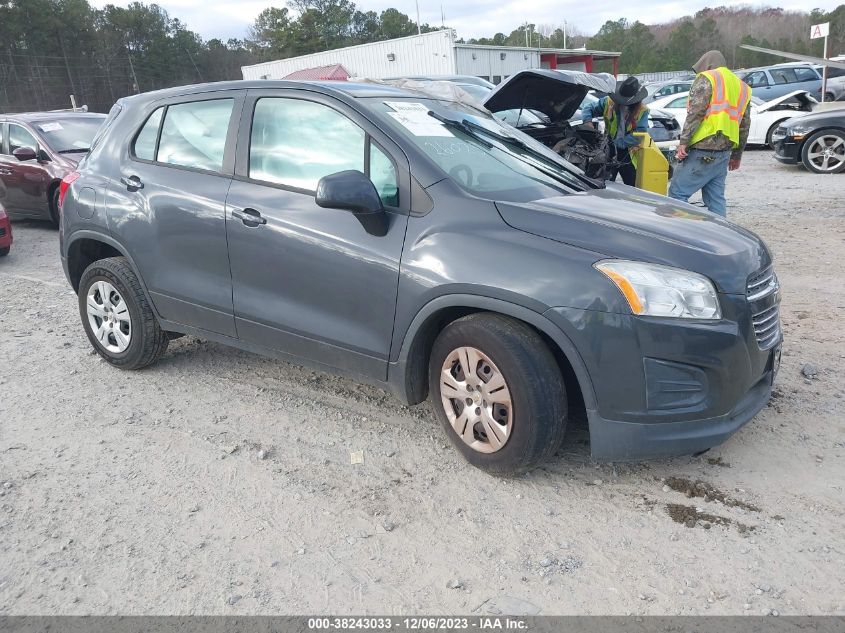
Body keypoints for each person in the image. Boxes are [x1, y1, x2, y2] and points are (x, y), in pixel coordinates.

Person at [668, 50, 751, 216]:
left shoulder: (707, 78)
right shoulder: (742, 87)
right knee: (716, 200)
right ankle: (720, 237)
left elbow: (696, 113)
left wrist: (683, 141)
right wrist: (737, 155)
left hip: (702, 149)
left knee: (677, 195)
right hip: (724, 153)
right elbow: (744, 125)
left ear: (707, 65)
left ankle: (679, 236)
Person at [581, 76, 649, 186]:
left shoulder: (642, 111)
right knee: (604, 182)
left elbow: (639, 134)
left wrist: (620, 143)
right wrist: (587, 121)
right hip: (609, 149)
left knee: (632, 184)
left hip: (629, 152)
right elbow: (588, 108)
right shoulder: (609, 102)